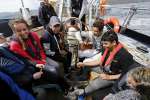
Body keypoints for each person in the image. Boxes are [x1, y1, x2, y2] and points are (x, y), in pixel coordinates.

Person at [68, 30, 135, 98]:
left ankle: (82, 93)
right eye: (103, 44)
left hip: (113, 76)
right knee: (86, 64)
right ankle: (83, 79)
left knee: (94, 84)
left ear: (114, 42)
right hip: (105, 68)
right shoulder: (106, 48)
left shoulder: (124, 56)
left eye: (106, 44)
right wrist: (84, 64)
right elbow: (100, 61)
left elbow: (127, 74)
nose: (103, 45)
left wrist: (109, 77)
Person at [8, 19, 70, 91]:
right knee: (52, 70)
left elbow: (40, 49)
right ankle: (57, 85)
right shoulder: (14, 45)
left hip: (41, 57)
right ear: (14, 32)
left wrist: (43, 59)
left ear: (28, 28)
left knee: (57, 65)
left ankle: (57, 81)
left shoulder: (34, 35)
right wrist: (41, 63)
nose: (23, 32)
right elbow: (27, 60)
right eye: (19, 31)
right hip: (33, 64)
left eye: (24, 29)